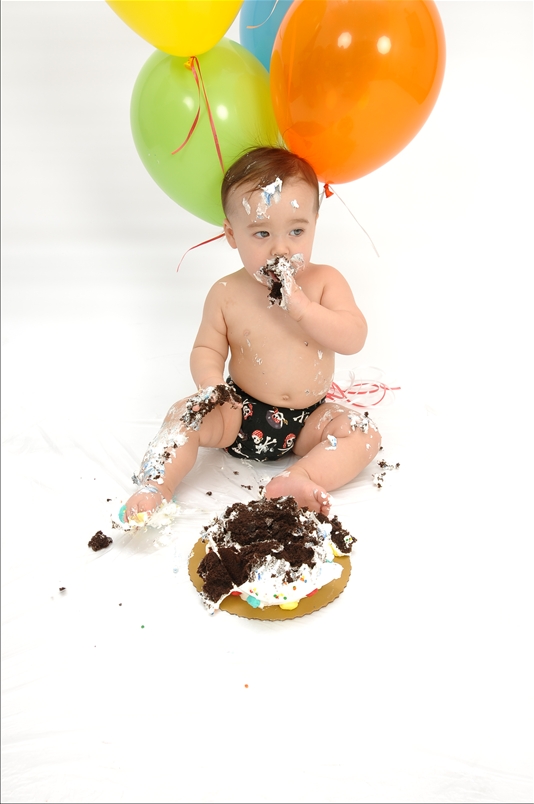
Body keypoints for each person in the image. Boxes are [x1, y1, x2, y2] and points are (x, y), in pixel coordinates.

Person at [122, 146, 381, 522]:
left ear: (315, 222)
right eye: (261, 233)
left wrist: (304, 310)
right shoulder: (227, 292)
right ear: (231, 234)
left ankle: (299, 477)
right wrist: (211, 386)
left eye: (297, 231)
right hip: (237, 414)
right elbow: (207, 348)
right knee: (183, 413)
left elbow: (354, 337)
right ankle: (155, 485)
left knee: (363, 432)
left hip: (309, 421)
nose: (281, 248)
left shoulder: (326, 282)